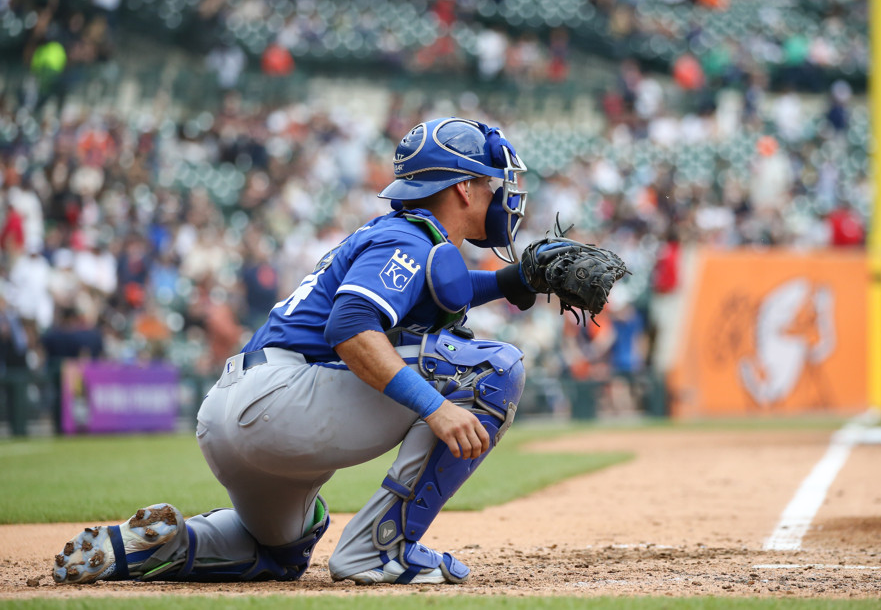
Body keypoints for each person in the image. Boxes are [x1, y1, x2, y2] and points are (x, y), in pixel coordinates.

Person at [52, 117, 542, 586]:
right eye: (492, 182)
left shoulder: (398, 235)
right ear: (463, 187)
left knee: (278, 550)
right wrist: (437, 408)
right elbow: (351, 328)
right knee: (492, 369)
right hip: (280, 404)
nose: (500, 193)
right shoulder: (406, 241)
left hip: (235, 413)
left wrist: (511, 281)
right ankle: (382, 550)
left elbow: (440, 289)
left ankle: (153, 547)